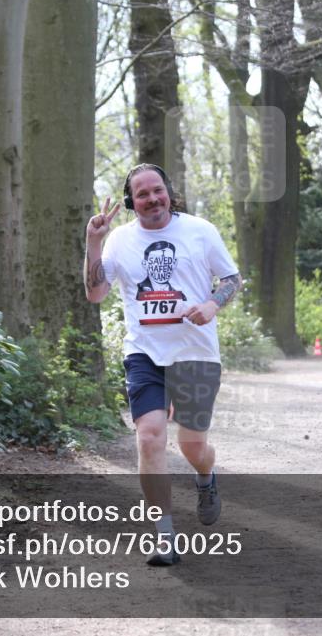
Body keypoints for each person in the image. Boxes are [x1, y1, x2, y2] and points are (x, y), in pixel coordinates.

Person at [83, 163, 242, 566]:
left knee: (193, 445)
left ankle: (206, 477)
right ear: (129, 201)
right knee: (150, 437)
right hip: (145, 353)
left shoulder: (200, 231)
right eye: (142, 194)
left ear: (169, 192)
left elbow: (232, 279)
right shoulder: (120, 239)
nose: (152, 199)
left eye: (158, 190)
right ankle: (164, 536)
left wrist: (211, 304)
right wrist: (94, 244)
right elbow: (96, 294)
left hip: (196, 353)